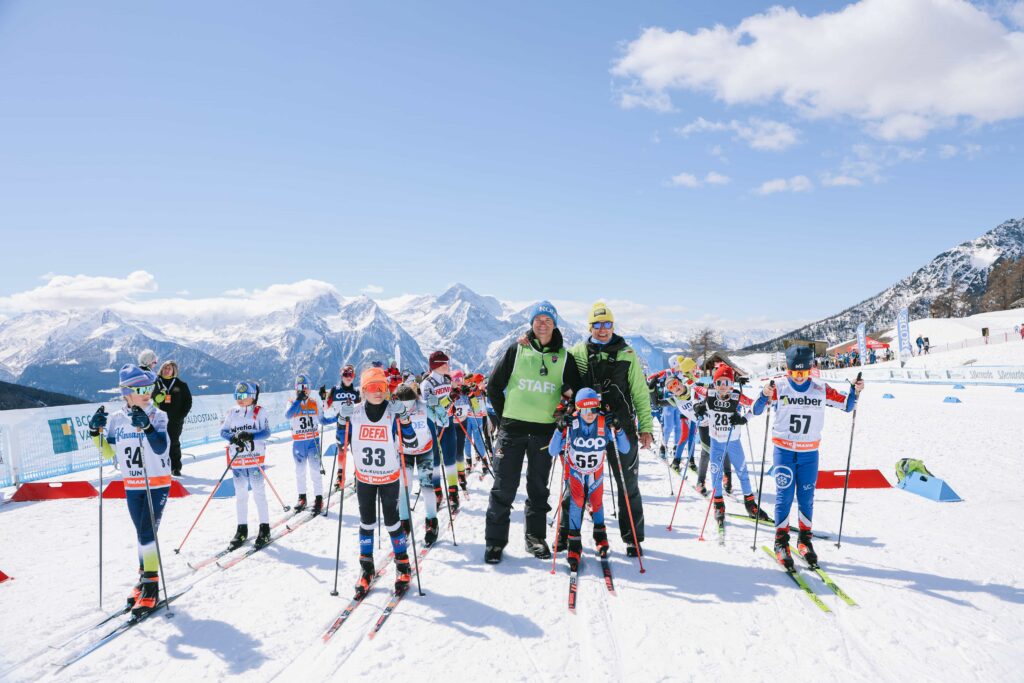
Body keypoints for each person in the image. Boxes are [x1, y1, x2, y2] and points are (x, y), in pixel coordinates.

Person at [484, 300, 582, 564]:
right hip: (512, 431)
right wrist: (504, 418)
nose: (543, 324)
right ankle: (495, 542)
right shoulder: (517, 349)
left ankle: (535, 538)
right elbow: (494, 386)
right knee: (504, 487)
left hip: (544, 433)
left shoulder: (564, 357)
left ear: (555, 324)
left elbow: (575, 393)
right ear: (531, 323)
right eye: (538, 319)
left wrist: (566, 410)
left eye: (548, 320)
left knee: (538, 488)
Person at [752, 345, 863, 568]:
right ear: (787, 370)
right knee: (784, 496)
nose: (799, 377)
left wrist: (855, 390)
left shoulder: (820, 388)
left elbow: (847, 405)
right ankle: (781, 541)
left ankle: (804, 540)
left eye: (803, 372)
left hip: (809, 453)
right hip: (784, 451)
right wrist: (764, 394)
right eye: (794, 372)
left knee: (806, 497)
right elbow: (756, 410)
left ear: (810, 369)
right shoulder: (779, 387)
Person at [565, 302, 652, 557]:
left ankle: (632, 538)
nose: (602, 329)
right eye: (597, 324)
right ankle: (567, 535)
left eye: (607, 324)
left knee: (627, 484)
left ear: (613, 325)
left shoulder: (627, 353)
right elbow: (565, 381)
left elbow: (640, 392)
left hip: (620, 426)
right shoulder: (578, 352)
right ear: (589, 327)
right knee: (576, 481)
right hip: (586, 428)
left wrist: (646, 427)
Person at [88, 364, 170, 617]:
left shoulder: (158, 415)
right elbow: (108, 453)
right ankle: (144, 578)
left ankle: (151, 585)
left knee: (147, 532)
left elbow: (160, 447)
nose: (147, 393)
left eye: (149, 388)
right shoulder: (116, 419)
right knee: (141, 534)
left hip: (156, 483)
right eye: (140, 389)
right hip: (132, 484)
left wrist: (147, 427)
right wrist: (94, 433)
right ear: (126, 393)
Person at [334, 367, 418, 597]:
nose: (378, 391)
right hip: (364, 478)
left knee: (392, 522)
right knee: (367, 522)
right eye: (372, 387)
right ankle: (366, 567)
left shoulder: (392, 411)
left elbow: (411, 441)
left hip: (389, 477)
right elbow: (341, 442)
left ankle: (403, 564)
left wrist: (404, 418)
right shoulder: (355, 413)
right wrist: (341, 420)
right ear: (363, 390)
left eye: (382, 386)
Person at [548, 388, 631, 570]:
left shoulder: (603, 422)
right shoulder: (572, 423)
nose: (590, 414)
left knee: (597, 501)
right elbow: (553, 451)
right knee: (577, 502)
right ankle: (574, 543)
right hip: (576, 472)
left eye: (593, 409)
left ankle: (600, 536)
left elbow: (624, 449)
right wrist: (559, 428)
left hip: (595, 471)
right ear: (578, 408)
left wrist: (618, 427)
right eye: (585, 409)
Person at [692, 363, 770, 538]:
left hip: (733, 442)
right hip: (716, 441)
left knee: (742, 471)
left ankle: (750, 503)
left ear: (732, 384)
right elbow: (695, 392)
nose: (723, 387)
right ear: (714, 383)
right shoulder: (710, 395)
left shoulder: (736, 396)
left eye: (726, 382)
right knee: (716, 473)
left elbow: (755, 407)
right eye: (719, 382)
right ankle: (718, 504)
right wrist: (698, 408)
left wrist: (744, 419)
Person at [219, 381, 272, 550]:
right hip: (238, 460)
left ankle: (265, 528)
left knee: (258, 493)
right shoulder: (232, 412)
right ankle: (242, 529)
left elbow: (267, 432)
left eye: (243, 396)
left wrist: (251, 435)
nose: (239, 399)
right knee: (240, 495)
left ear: (253, 396)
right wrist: (233, 438)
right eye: (237, 396)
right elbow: (223, 431)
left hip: (255, 459)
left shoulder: (260, 411)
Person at [393, 381, 440, 546]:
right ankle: (404, 523)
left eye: (410, 405)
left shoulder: (423, 406)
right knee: (403, 487)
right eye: (404, 406)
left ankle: (432, 522)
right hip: (403, 452)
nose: (408, 409)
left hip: (424, 450)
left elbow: (444, 421)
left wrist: (438, 407)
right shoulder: (393, 409)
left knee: (426, 486)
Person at [420, 351, 461, 513]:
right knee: (435, 460)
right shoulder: (427, 384)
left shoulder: (447, 380)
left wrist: (453, 402)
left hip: (448, 423)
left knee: (450, 458)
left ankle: (453, 492)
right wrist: (450, 398)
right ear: (437, 365)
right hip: (434, 425)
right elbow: (432, 407)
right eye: (445, 363)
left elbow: (448, 402)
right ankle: (437, 492)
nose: (448, 365)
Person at [285, 374, 326, 514]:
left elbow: (323, 420)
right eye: (300, 387)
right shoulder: (292, 402)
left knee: (315, 470)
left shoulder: (314, 402)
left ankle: (319, 498)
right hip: (298, 443)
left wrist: (338, 418)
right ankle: (302, 498)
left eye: (305, 387)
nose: (303, 390)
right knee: (300, 471)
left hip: (312, 442)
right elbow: (288, 415)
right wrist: (298, 400)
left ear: (310, 388)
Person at [154, 360, 192, 477]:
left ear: (174, 371)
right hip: (157, 419)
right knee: (158, 442)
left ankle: (175, 467)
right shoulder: (156, 382)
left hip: (175, 420)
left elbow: (188, 401)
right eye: (164, 368)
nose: (166, 370)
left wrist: (181, 416)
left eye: (169, 368)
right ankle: (159, 467)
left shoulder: (181, 384)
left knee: (173, 442)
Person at [327, 364, 361, 490]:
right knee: (341, 451)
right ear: (342, 376)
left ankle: (358, 475)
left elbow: (361, 409)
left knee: (356, 451)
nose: (348, 377)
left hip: (354, 427)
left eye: (351, 374)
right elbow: (326, 406)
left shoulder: (356, 392)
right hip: (341, 427)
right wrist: (323, 398)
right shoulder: (335, 390)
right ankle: (340, 476)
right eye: (346, 374)